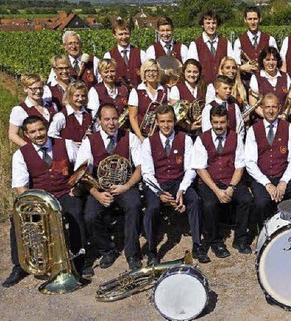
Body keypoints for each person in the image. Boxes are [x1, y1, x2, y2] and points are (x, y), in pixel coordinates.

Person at [3, 116, 86, 287]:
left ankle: (79, 260)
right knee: (16, 219)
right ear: (26, 134)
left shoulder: (66, 144)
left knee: (75, 211)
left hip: (64, 192)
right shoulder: (20, 154)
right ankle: (20, 265)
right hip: (40, 199)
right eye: (33, 132)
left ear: (46, 128)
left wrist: (77, 187)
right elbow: (21, 188)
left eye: (41, 129)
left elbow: (81, 169)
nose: (38, 134)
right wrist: (39, 206)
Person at [76, 103, 143, 270]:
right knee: (90, 216)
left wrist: (126, 186)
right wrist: (96, 193)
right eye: (106, 119)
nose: (111, 123)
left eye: (114, 118)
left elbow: (141, 167)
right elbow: (81, 173)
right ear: (99, 121)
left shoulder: (130, 138)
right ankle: (107, 250)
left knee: (134, 206)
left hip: (125, 185)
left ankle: (132, 253)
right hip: (99, 189)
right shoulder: (89, 141)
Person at [140, 105, 209, 264]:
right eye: (162, 121)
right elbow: (147, 173)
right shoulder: (148, 143)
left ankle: (197, 245)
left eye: (169, 121)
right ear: (157, 122)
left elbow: (190, 168)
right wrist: (159, 193)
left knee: (195, 200)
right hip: (158, 184)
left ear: (174, 121)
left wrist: (182, 189)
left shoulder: (185, 139)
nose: (166, 125)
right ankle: (152, 250)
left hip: (179, 181)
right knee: (152, 208)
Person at [193, 105, 253, 256]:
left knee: (245, 199)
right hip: (210, 182)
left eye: (222, 122)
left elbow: (240, 166)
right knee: (209, 204)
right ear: (211, 122)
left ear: (227, 122)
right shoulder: (202, 139)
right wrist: (217, 191)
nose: (219, 126)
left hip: (230, 179)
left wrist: (231, 187)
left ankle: (240, 238)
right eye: (215, 122)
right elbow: (201, 169)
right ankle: (216, 242)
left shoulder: (236, 137)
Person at [244, 93, 291, 234]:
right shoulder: (253, 130)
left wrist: (283, 182)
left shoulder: (289, 128)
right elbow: (250, 161)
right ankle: (264, 233)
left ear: (279, 108)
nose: (270, 110)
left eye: (274, 107)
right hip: (262, 177)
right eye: (267, 107)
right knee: (261, 202)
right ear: (262, 108)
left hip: (283, 174)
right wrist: (266, 183)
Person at [9, 74, 57, 147]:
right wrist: (30, 149)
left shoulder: (52, 105)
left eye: (40, 88)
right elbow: (12, 135)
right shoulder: (20, 110)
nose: (38, 91)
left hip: (55, 149)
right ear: (26, 89)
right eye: (34, 89)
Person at [187, 12, 234, 85]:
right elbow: (192, 69)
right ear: (202, 25)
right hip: (203, 88)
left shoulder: (226, 43)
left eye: (214, 23)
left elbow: (232, 66)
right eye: (208, 23)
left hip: (223, 89)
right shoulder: (195, 45)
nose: (211, 26)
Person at [235, 7, 278, 86]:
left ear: (260, 19)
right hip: (247, 84)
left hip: (267, 83)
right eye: (249, 19)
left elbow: (277, 62)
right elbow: (235, 66)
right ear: (245, 20)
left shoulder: (270, 40)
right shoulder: (238, 42)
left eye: (255, 19)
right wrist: (243, 68)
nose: (252, 22)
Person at [128, 59, 168, 141]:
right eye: (148, 71)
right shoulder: (136, 91)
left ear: (158, 73)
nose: (151, 74)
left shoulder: (165, 90)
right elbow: (133, 117)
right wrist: (140, 137)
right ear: (144, 73)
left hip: (160, 135)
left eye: (154, 71)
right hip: (141, 136)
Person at [248, 46, 291, 119]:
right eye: (267, 59)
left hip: (283, 120)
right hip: (262, 121)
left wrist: (285, 115)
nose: (271, 63)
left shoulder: (285, 76)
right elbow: (253, 104)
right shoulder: (255, 78)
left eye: (273, 59)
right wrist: (269, 118)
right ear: (262, 61)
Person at [103, 20, 146, 88]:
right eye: (120, 34)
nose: (124, 37)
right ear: (114, 35)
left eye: (126, 33)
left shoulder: (141, 53)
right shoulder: (108, 56)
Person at [169, 58, 207, 135]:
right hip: (183, 132)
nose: (192, 75)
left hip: (202, 129)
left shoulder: (204, 88)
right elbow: (175, 114)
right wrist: (189, 127)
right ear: (184, 72)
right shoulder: (176, 88)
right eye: (189, 71)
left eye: (195, 72)